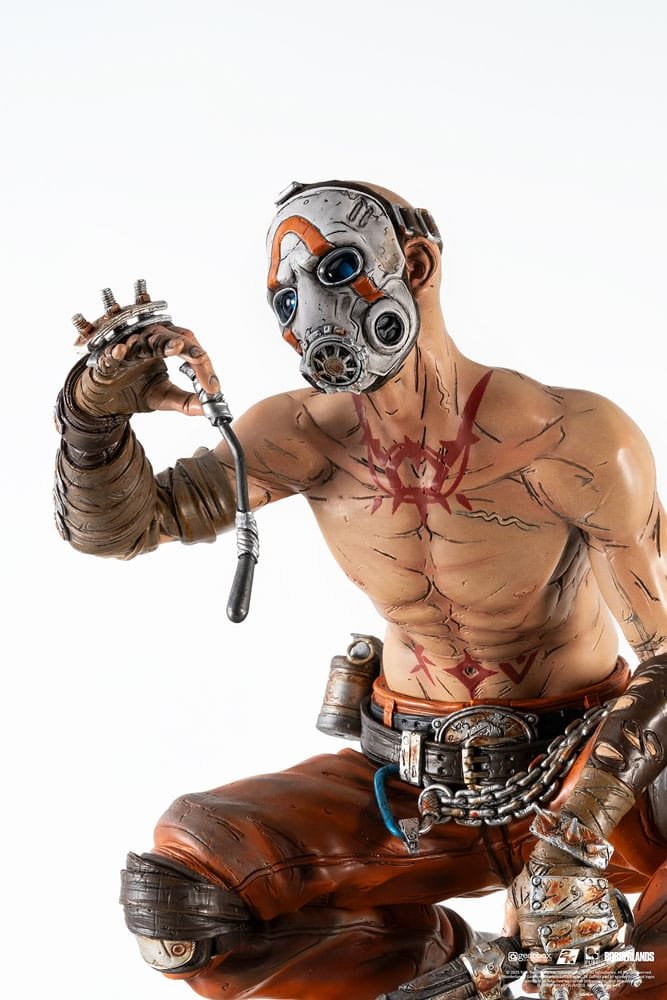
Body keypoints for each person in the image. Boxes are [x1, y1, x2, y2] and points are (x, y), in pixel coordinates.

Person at [54, 180, 667, 999]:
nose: (312, 314)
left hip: (592, 772)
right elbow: (121, 529)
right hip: (414, 788)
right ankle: (437, 972)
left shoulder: (570, 438)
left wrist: (573, 835)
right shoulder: (300, 435)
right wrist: (93, 420)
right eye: (286, 300)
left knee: (619, 971)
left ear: (415, 266)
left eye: (337, 269)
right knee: (178, 905)